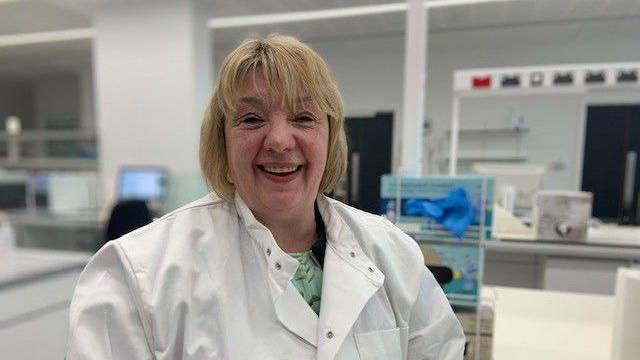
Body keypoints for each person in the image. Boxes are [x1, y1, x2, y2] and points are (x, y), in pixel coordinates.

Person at [66, 34, 465, 359]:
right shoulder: (138, 277)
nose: (277, 140)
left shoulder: (392, 253)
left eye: (303, 118)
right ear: (221, 141)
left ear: (329, 136)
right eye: (252, 119)